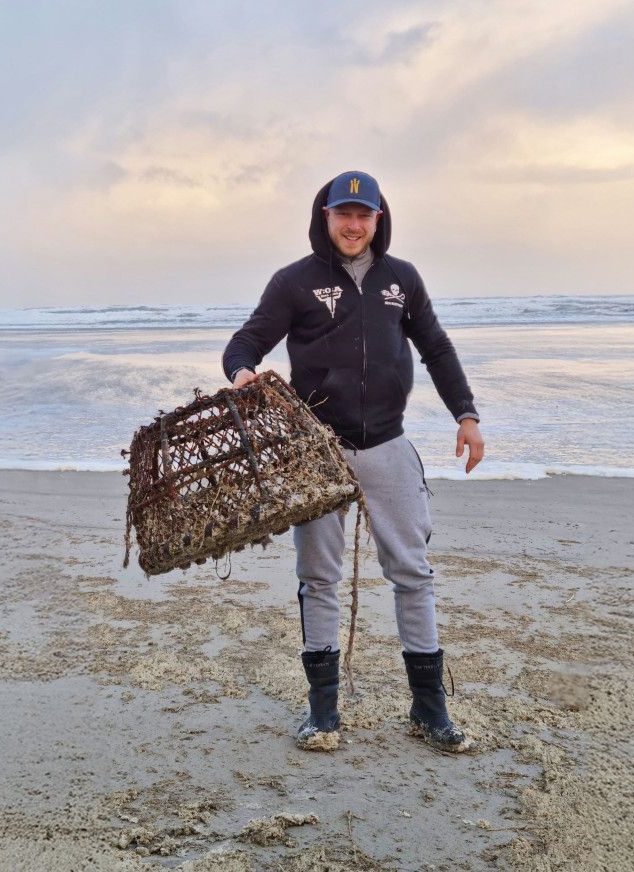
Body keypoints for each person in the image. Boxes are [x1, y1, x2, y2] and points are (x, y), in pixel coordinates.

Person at [222, 170, 484, 753]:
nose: (354, 224)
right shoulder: (295, 282)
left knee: (412, 573)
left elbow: (436, 347)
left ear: (378, 219)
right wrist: (241, 373)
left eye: (365, 215)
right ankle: (322, 714)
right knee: (319, 578)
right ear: (326, 216)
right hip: (318, 450)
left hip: (388, 444)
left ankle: (428, 709)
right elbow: (244, 344)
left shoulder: (401, 280)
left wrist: (465, 415)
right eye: (344, 213)